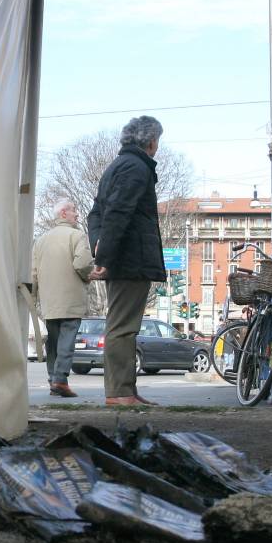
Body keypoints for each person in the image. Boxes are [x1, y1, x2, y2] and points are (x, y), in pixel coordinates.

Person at [87, 116, 166, 406]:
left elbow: (95, 214)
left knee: (123, 325)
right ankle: (120, 393)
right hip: (131, 259)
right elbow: (118, 212)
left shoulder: (117, 167)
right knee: (123, 326)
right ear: (151, 141)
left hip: (122, 257)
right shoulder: (135, 167)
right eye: (158, 140)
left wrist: (99, 248)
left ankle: (126, 391)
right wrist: (104, 255)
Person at [32, 201, 94, 397]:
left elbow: (32, 272)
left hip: (48, 300)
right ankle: (60, 380)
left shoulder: (40, 240)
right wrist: (89, 275)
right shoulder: (77, 235)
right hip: (71, 297)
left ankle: (53, 380)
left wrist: (33, 298)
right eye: (74, 210)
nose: (77, 214)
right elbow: (83, 263)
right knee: (67, 338)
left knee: (53, 340)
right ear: (63, 213)